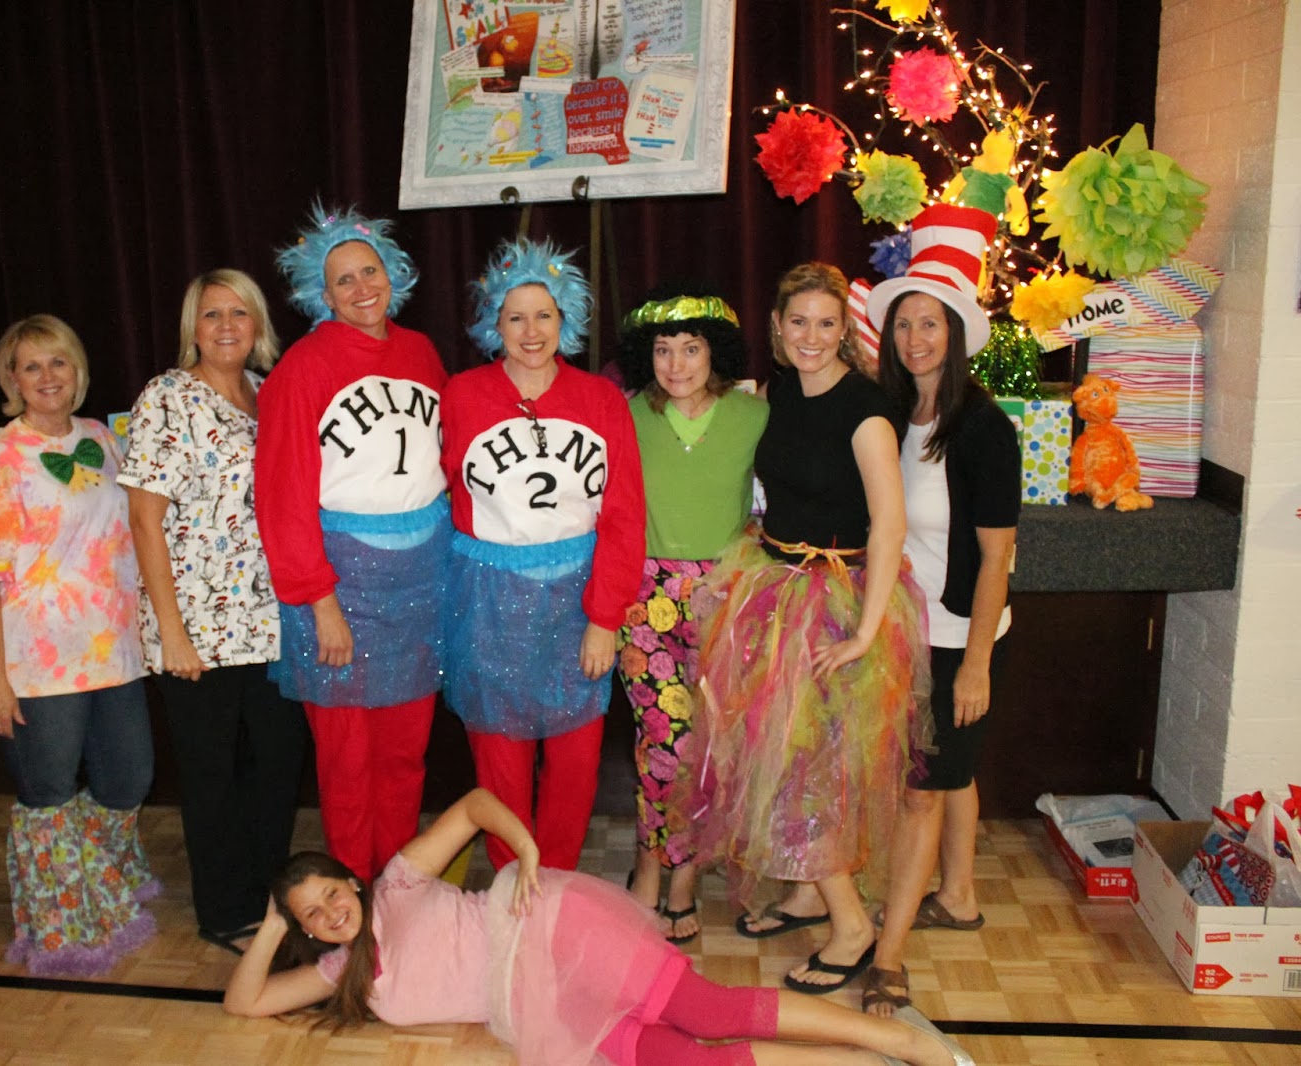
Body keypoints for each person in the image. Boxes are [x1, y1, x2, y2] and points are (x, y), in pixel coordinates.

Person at [222, 788, 974, 1066]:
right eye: (313, 914)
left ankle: (906, 1042)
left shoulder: (396, 886)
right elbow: (244, 1002)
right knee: (690, 1064)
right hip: (543, 1007)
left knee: (707, 1012)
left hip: (552, 929)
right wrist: (273, 922)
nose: (332, 913)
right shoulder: (335, 970)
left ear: (352, 881)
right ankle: (868, 1058)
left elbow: (476, 804)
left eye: (332, 894)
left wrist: (523, 849)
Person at [673, 263, 929, 994]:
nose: (811, 337)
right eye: (798, 322)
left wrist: (864, 634)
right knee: (781, 752)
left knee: (807, 770)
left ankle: (852, 926)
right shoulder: (782, 392)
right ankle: (810, 895)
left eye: (826, 323)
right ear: (779, 329)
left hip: (836, 602)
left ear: (844, 330)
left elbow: (889, 526)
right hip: (774, 584)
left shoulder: (866, 411)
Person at [0, 314, 157, 976]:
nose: (47, 377)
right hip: (37, 663)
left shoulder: (100, 438)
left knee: (128, 777)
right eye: (31, 366)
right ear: (11, 380)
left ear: (78, 370)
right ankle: (64, 924)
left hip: (114, 652)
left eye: (58, 362)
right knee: (48, 790)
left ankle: (103, 888)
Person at [255, 205, 449, 883]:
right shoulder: (301, 368)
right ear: (323, 294)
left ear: (392, 273)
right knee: (346, 760)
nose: (362, 288)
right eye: (344, 280)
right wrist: (320, 602)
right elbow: (282, 498)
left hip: (420, 583)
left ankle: (398, 887)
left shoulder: (421, 352)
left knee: (405, 755)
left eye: (370, 271)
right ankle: (354, 896)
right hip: (340, 589)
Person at [118, 270, 308, 954]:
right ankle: (225, 913)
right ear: (191, 328)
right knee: (212, 776)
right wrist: (172, 633)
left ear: (258, 323)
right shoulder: (168, 397)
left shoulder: (267, 392)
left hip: (272, 622)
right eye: (211, 315)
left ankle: (269, 898)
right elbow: (144, 519)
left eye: (239, 313)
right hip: (198, 629)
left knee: (277, 767)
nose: (227, 326)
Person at [440, 238, 644, 872]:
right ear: (494, 324)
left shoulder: (602, 400)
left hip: (577, 605)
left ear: (566, 319)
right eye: (516, 317)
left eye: (544, 315)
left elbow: (624, 517)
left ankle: (554, 882)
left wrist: (605, 618)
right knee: (499, 759)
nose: (531, 332)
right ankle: (512, 881)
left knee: (575, 760)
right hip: (489, 604)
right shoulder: (461, 395)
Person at [863, 205, 1020, 1015]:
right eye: (903, 324)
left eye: (930, 324)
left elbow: (996, 556)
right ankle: (957, 893)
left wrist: (978, 666)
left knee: (925, 786)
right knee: (951, 773)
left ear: (954, 335)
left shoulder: (983, 427)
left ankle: (890, 955)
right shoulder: (894, 415)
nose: (914, 338)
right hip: (904, 627)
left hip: (959, 634)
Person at [613, 283, 767, 943]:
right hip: (643, 597)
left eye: (691, 348)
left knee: (710, 748)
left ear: (715, 353)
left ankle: (684, 874)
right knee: (663, 743)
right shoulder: (625, 414)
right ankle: (656, 868)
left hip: (725, 598)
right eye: (663, 349)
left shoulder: (753, 415)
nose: (676, 364)